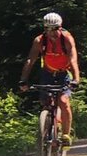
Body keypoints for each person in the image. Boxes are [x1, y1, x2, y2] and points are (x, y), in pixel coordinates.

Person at [19, 12, 80, 146]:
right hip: (47, 73)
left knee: (63, 101)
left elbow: (73, 60)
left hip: (64, 73)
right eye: (48, 29)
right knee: (46, 101)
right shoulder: (40, 40)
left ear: (60, 27)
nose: (51, 32)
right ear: (45, 28)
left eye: (54, 29)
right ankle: (48, 126)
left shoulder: (67, 39)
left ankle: (65, 135)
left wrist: (76, 79)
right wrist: (23, 80)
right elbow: (30, 60)